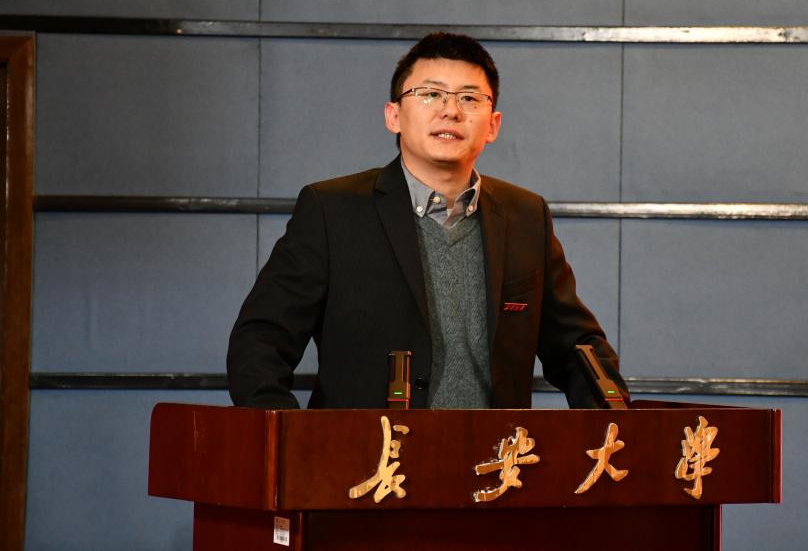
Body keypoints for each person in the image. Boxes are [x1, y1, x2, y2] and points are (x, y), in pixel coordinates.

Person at [227, 32, 627, 409]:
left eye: (469, 98)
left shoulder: (525, 216)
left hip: (497, 456)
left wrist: (615, 423)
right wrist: (293, 443)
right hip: (371, 457)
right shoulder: (332, 211)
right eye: (430, 94)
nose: (450, 110)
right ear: (394, 116)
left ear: (493, 125)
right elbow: (260, 342)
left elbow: (577, 347)